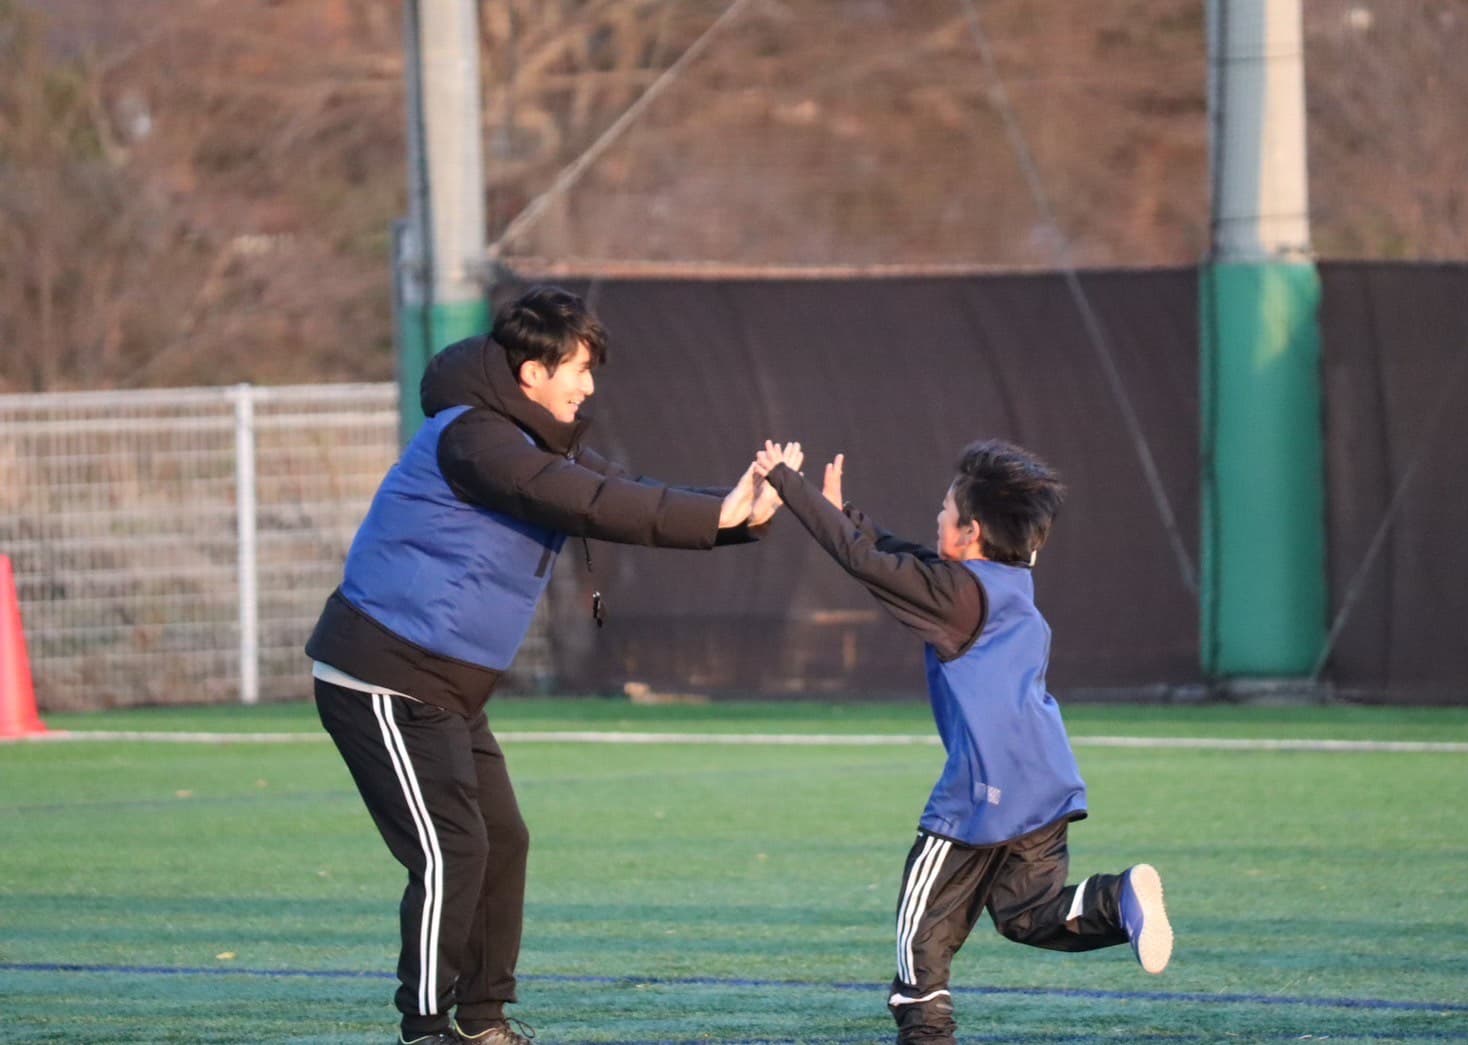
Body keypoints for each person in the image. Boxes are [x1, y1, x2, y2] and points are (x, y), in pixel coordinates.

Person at [306, 285, 795, 1045]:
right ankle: (426, 1025)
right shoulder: (475, 438)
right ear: (532, 371)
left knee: (503, 839)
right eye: (578, 367)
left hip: (447, 689)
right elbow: (589, 500)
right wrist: (720, 514)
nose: (589, 384)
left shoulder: (529, 441)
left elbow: (615, 494)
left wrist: (737, 515)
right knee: (452, 849)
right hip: (384, 675)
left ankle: (482, 1018)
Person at [756, 438, 1174, 1045]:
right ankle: (1116, 898)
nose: (937, 518)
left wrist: (788, 486)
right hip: (1045, 783)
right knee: (1029, 915)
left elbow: (867, 564)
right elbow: (904, 561)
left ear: (971, 531)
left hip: (984, 795)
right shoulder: (1004, 584)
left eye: (945, 511)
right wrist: (847, 515)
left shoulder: (957, 596)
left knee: (918, 956)